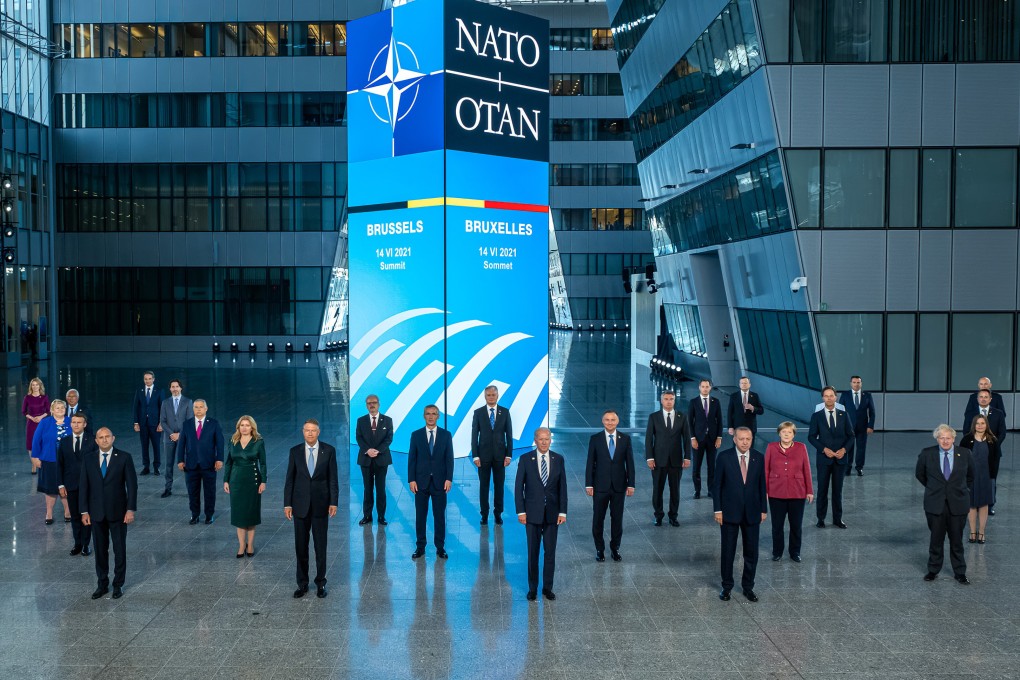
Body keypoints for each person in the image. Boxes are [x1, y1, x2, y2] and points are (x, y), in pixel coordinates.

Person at [81, 427, 138, 599]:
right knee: (100, 550)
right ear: (96, 441)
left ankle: (118, 584)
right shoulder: (88, 459)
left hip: (119, 513)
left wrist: (130, 509)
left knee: (119, 549)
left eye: (107, 437)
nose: (105, 440)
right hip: (96, 513)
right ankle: (102, 584)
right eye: (101, 437)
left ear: (113, 438)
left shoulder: (124, 457)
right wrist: (84, 511)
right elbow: (84, 486)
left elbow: (132, 486)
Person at [283, 419, 338, 598]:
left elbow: (333, 479)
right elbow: (290, 479)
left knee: (320, 546)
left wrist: (333, 502)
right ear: (303, 431)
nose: (310, 433)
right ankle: (302, 583)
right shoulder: (295, 452)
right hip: (300, 506)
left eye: (313, 430)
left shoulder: (329, 451)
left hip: (321, 506)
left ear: (319, 432)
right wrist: (287, 503)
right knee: (301, 547)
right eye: (307, 430)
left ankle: (321, 583)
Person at [713, 428, 767, 602]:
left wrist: (763, 509)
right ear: (734, 439)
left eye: (748, 439)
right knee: (728, 551)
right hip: (729, 512)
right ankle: (726, 586)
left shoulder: (758, 457)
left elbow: (762, 485)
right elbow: (717, 486)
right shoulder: (723, 457)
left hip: (752, 512)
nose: (745, 442)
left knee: (751, 552)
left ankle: (748, 587)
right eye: (742, 439)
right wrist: (718, 510)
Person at [916, 424, 973, 584]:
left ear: (954, 439)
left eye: (948, 438)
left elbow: (971, 475)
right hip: (935, 503)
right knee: (936, 539)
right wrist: (935, 488)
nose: (945, 441)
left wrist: (959, 489)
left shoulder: (965, 453)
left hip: (958, 503)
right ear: (937, 439)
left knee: (957, 540)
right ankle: (933, 570)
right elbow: (920, 474)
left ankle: (960, 572)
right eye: (942, 438)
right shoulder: (927, 454)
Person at [515, 427, 567, 601]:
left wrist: (563, 512)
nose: (544, 442)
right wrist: (521, 512)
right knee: (533, 553)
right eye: (541, 439)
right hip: (532, 514)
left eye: (547, 439)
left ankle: (547, 588)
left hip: (552, 514)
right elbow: (518, 488)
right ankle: (532, 588)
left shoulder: (558, 459)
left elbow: (563, 488)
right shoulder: (525, 459)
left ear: (550, 440)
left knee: (550, 552)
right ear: (535, 440)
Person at [586, 410, 635, 561]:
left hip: (619, 487)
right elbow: (590, 463)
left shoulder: (625, 439)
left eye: (613, 420)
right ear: (602, 421)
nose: (610, 422)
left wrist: (631, 484)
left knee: (617, 519)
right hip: (600, 486)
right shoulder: (595, 439)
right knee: (598, 519)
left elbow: (630, 463)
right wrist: (589, 484)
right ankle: (599, 549)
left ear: (617, 421)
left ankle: (615, 548)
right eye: (607, 420)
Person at [408, 404, 454, 560]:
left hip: (440, 483)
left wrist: (449, 479)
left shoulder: (446, 435)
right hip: (420, 483)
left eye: (434, 414)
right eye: (428, 413)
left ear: (438, 416)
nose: (431, 416)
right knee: (420, 516)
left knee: (439, 516)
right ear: (424, 416)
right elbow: (412, 459)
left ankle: (440, 548)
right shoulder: (416, 435)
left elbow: (449, 459)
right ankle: (420, 547)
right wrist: (411, 479)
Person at [764, 422, 813, 562]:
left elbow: (807, 470)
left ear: (794, 434)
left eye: (789, 432)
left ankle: (795, 552)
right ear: (779, 433)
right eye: (784, 432)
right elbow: (766, 470)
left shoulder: (801, 447)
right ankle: (777, 552)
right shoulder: (771, 447)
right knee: (777, 526)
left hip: (797, 492)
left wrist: (809, 491)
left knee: (796, 525)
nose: (786, 434)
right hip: (776, 492)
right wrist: (765, 491)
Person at [808, 387, 854, 529]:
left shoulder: (844, 415)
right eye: (826, 396)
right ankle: (820, 519)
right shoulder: (816, 416)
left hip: (840, 459)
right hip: (823, 459)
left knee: (837, 491)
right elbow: (811, 436)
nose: (829, 398)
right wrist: (823, 449)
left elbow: (851, 436)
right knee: (822, 490)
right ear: (823, 398)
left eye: (831, 396)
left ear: (836, 397)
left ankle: (837, 519)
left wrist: (844, 450)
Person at [645, 389, 691, 526]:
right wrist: (649, 458)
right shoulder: (654, 417)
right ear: (661, 400)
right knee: (657, 490)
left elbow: (687, 439)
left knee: (675, 491)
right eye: (666, 399)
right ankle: (658, 515)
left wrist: (687, 456)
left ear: (674, 400)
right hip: (658, 460)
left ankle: (673, 516)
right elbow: (649, 439)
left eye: (671, 399)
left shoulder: (682, 417)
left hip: (676, 461)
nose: (669, 401)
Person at [223, 415, 267, 558]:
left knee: (251, 514)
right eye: (242, 425)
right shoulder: (233, 440)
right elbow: (228, 462)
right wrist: (226, 480)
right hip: (236, 481)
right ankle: (242, 544)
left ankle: (251, 544)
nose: (244, 428)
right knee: (239, 515)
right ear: (238, 427)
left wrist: (263, 481)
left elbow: (263, 463)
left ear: (252, 427)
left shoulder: (258, 442)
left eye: (247, 425)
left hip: (252, 481)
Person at [176, 399, 224, 525]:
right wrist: (180, 460)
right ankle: (195, 515)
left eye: (201, 407)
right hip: (191, 465)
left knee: (210, 492)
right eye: (196, 407)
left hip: (209, 464)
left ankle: (209, 515)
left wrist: (219, 459)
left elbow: (220, 443)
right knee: (192, 492)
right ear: (193, 409)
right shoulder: (186, 424)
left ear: (206, 409)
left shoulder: (213, 423)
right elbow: (181, 444)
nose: (198, 409)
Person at [471, 385, 514, 526]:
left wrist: (508, 455)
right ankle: (484, 514)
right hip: (483, 457)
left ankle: (498, 513)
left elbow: (509, 435)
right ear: (485, 396)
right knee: (483, 486)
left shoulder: (505, 412)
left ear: (497, 396)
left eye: (493, 395)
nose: (491, 397)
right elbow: (474, 436)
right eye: (488, 395)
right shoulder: (478, 413)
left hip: (500, 457)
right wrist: (475, 456)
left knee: (499, 486)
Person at [962, 388, 1007, 516]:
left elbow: (1002, 432)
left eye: (986, 397)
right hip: (973, 450)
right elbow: (966, 430)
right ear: (977, 399)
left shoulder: (998, 413)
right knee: (972, 478)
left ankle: (990, 505)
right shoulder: (971, 413)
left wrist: (993, 445)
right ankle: (972, 503)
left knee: (991, 479)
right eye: (980, 396)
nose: (983, 399)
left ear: (990, 399)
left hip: (993, 452)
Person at [57, 413, 97, 556]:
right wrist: (61, 485)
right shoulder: (64, 441)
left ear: (85, 424)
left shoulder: (92, 441)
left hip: (89, 485)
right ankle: (77, 544)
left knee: (86, 515)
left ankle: (86, 544)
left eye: (79, 422)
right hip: (71, 484)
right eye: (73, 422)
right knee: (74, 516)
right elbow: (60, 464)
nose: (76, 425)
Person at [960, 416, 999, 545]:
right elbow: (961, 459)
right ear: (974, 425)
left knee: (983, 505)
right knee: (971, 504)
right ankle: (972, 532)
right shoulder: (966, 439)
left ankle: (981, 532)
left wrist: (993, 476)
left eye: (982, 423)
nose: (980, 426)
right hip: (971, 477)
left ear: (986, 425)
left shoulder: (993, 440)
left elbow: (995, 460)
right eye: (977, 423)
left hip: (986, 477)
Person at [32, 399, 72, 525]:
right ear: (52, 410)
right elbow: (36, 440)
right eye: (57, 408)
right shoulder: (45, 422)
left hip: (68, 461)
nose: (60, 410)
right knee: (50, 488)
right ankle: (49, 512)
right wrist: (35, 457)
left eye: (62, 408)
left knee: (67, 487)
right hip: (49, 460)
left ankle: (68, 511)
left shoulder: (71, 421)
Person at [355, 394, 393, 526]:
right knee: (368, 488)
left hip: (381, 459)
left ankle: (381, 516)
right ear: (366, 405)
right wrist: (368, 450)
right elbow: (359, 438)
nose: (372, 405)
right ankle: (367, 515)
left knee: (381, 489)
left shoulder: (387, 420)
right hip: (366, 459)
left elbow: (389, 439)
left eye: (374, 403)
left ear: (379, 404)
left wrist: (378, 451)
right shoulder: (361, 421)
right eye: (369, 403)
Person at [688, 379, 723, 499]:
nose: (705, 388)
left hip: (712, 439)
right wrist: (693, 438)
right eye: (703, 386)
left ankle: (711, 490)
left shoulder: (716, 402)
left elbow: (720, 421)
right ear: (699, 387)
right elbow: (689, 422)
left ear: (710, 388)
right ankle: (697, 490)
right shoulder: (693, 402)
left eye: (707, 386)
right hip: (698, 439)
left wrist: (719, 437)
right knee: (696, 466)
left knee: (711, 466)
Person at [158, 379, 193, 498]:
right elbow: (162, 421)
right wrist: (171, 434)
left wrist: (180, 434)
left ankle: (190, 489)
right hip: (169, 438)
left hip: (183, 438)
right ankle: (168, 488)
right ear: (170, 389)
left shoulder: (188, 402)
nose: (175, 389)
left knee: (186, 464)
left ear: (181, 388)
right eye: (172, 387)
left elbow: (189, 421)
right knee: (168, 464)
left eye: (177, 386)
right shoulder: (165, 402)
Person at [837, 376, 875, 477]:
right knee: (848, 447)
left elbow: (872, 412)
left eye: (858, 382)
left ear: (861, 384)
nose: (856, 384)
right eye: (854, 382)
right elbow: (840, 411)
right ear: (851, 383)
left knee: (861, 448)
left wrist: (870, 426)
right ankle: (847, 468)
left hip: (863, 427)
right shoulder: (845, 395)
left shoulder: (867, 395)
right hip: (848, 427)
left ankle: (859, 468)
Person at [132, 370, 164, 475]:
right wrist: (136, 422)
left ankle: (156, 467)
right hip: (143, 424)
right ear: (143, 379)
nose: (147, 381)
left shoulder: (159, 391)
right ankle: (146, 467)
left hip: (155, 424)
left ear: (153, 379)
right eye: (146, 379)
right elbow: (135, 407)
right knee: (144, 446)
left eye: (150, 379)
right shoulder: (139, 390)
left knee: (156, 446)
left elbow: (162, 408)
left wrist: (161, 423)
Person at [22, 377, 50, 474]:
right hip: (31, 423)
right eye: (33, 385)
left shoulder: (44, 397)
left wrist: (40, 417)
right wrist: (31, 417)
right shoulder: (27, 397)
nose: (35, 386)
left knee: (42, 443)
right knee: (30, 444)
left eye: (36, 384)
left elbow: (48, 410)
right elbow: (24, 411)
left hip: (42, 422)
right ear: (31, 386)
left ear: (40, 386)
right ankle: (34, 464)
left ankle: (40, 463)